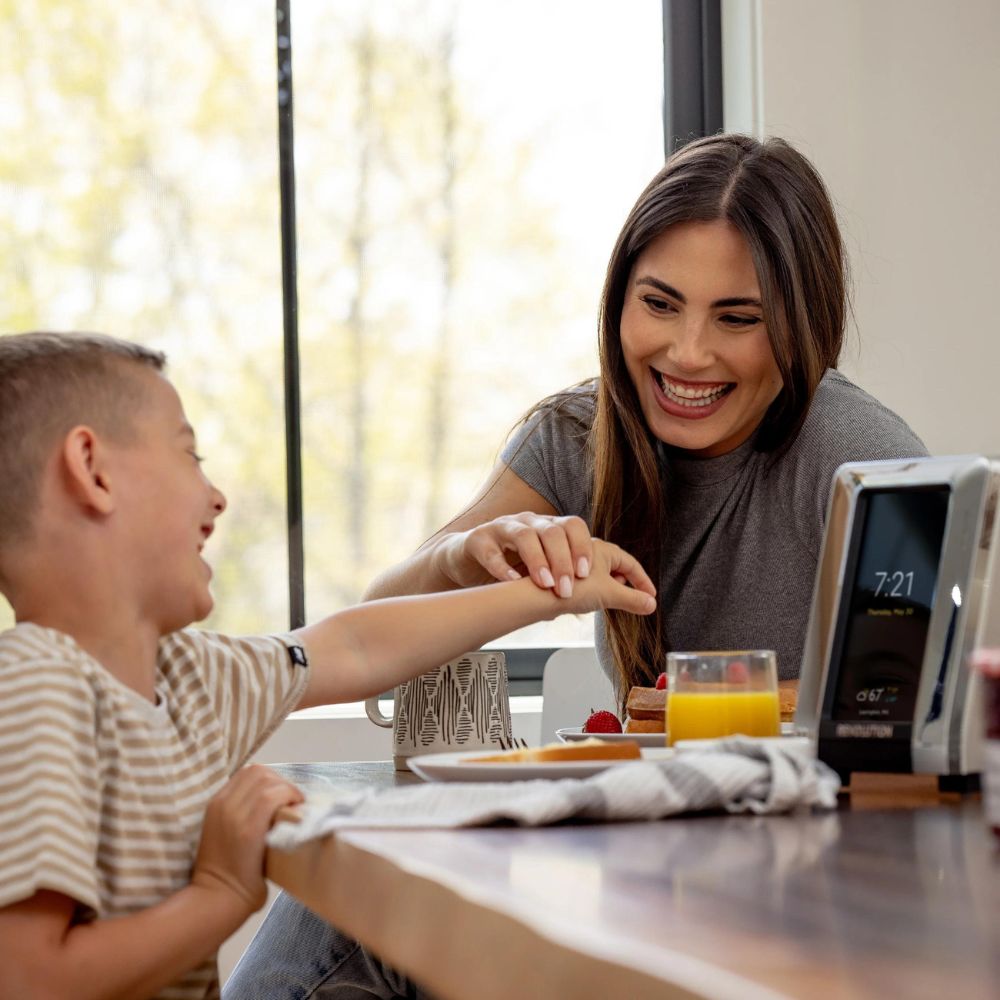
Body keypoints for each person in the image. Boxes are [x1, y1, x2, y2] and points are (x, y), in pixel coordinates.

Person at [227, 132, 927, 998]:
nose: (688, 354)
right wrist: (467, 557)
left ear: (802, 323)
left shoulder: (863, 459)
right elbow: (378, 623)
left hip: (794, 887)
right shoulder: (578, 436)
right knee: (363, 873)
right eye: (660, 303)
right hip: (641, 858)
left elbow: (919, 744)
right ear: (618, 301)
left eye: (737, 318)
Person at [0, 331, 656, 1000]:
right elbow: (27, 978)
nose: (218, 495)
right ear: (92, 469)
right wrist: (222, 894)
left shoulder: (190, 675)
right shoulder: (35, 688)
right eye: (189, 454)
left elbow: (355, 646)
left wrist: (546, 592)